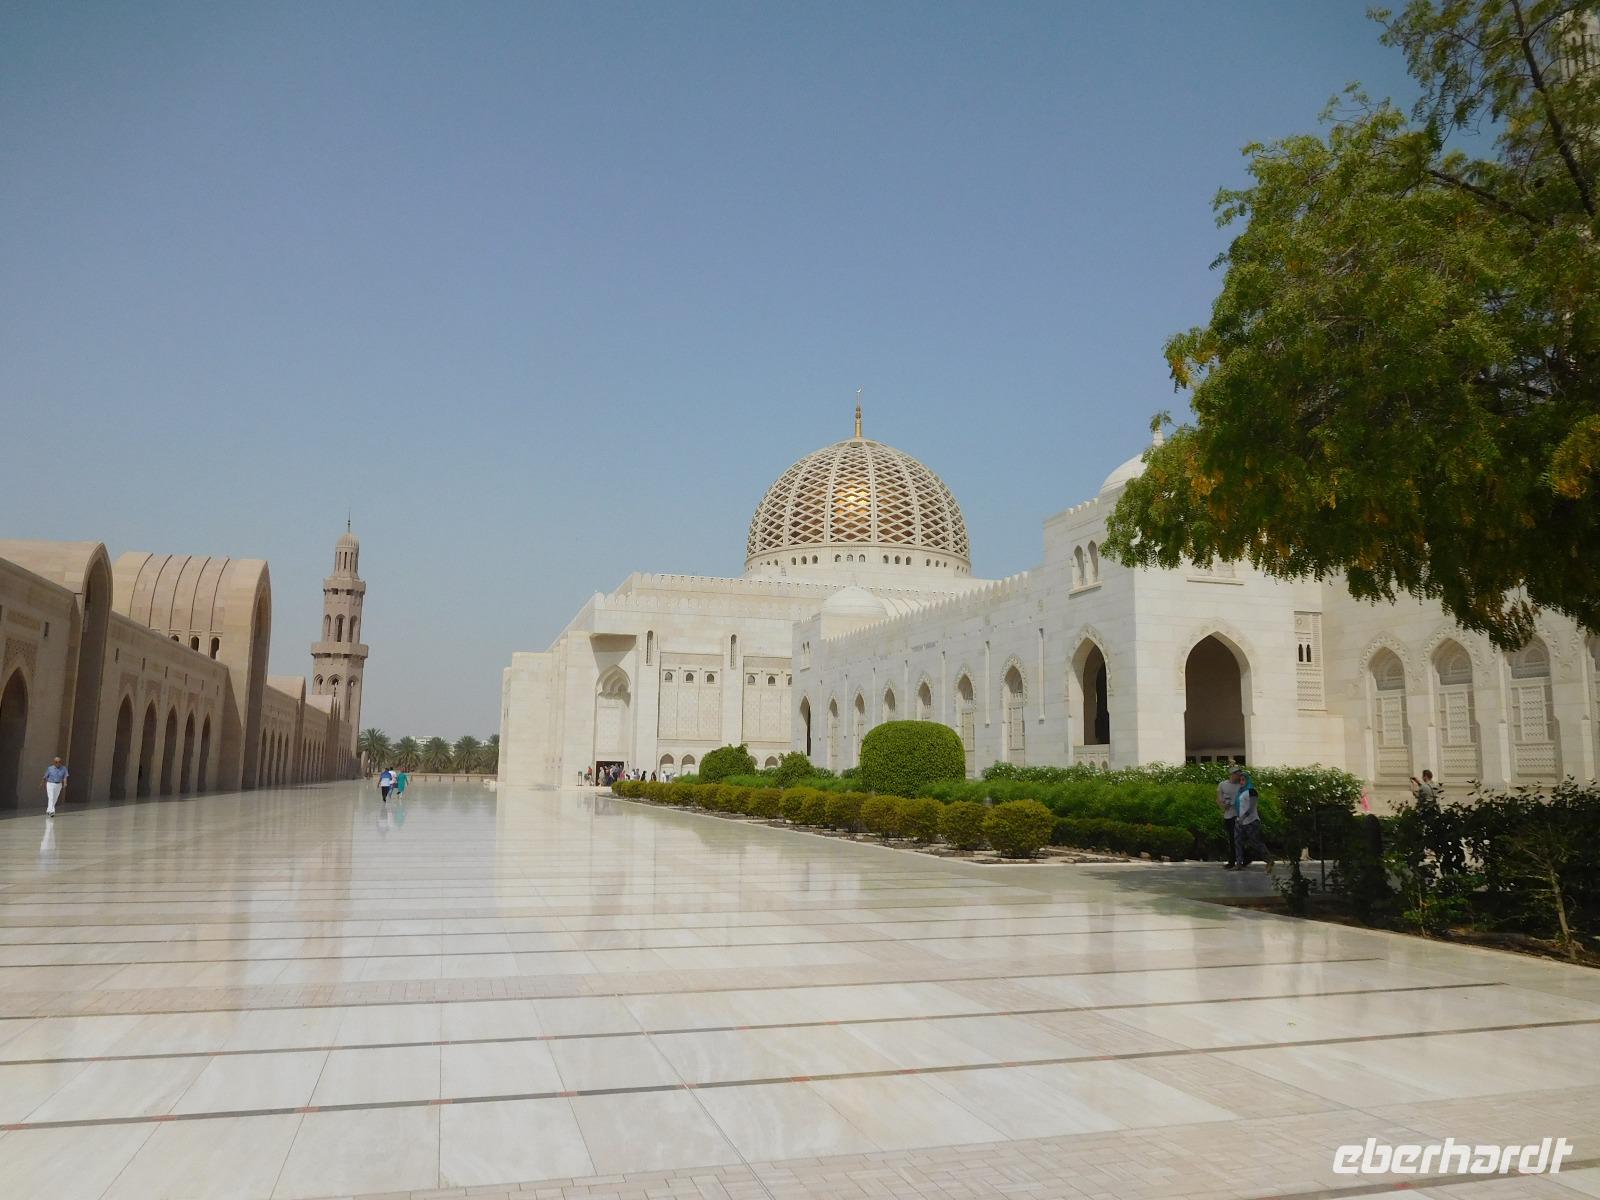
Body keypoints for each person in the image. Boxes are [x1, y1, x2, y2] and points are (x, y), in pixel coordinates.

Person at [1234, 771, 1273, 872]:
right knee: (1238, 842)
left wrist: (1244, 816)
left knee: (1255, 842)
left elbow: (1251, 807)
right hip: (1240, 821)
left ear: (1247, 780)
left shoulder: (1252, 791)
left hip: (1251, 821)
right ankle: (1238, 863)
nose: (1241, 782)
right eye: (1240, 780)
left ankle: (1269, 860)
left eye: (1243, 780)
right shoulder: (1240, 792)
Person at [1216, 767, 1242, 869]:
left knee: (1240, 839)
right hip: (1228, 815)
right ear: (1232, 774)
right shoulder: (1223, 785)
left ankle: (1241, 859)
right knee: (1232, 838)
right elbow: (1218, 799)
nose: (1239, 776)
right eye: (1237, 774)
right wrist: (1223, 805)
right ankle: (1232, 861)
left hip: (1239, 815)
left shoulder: (1241, 785)